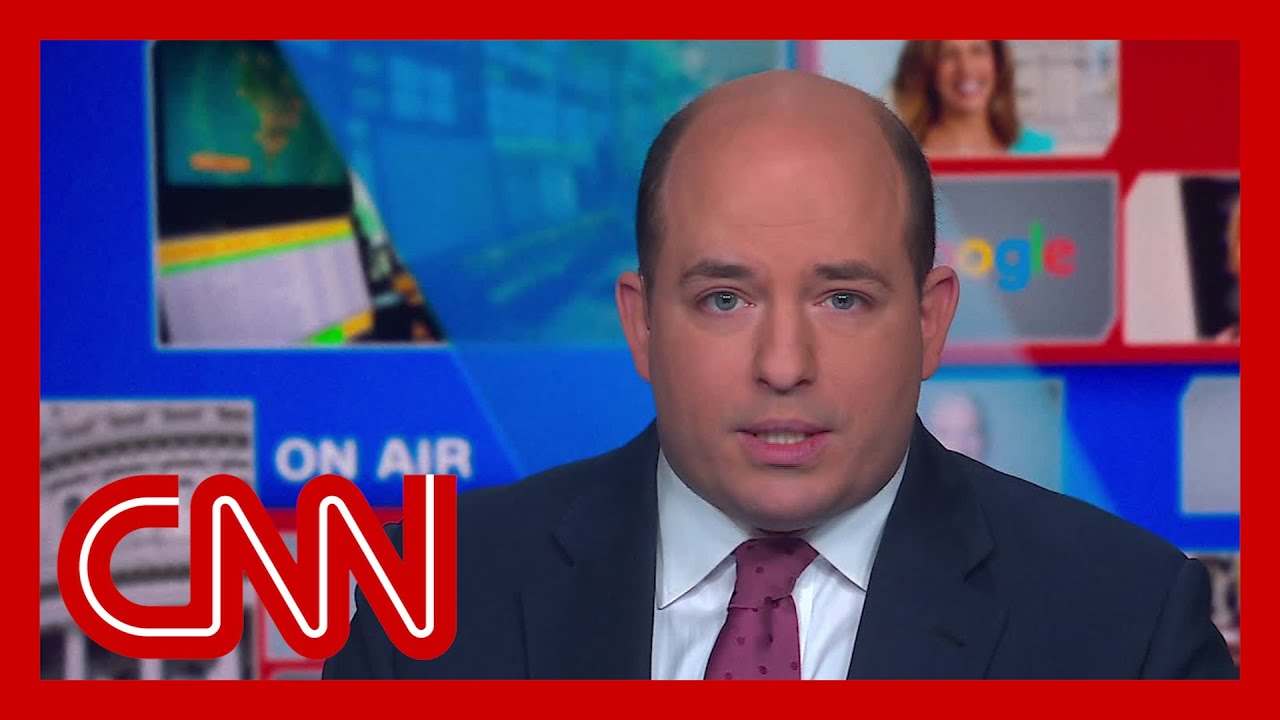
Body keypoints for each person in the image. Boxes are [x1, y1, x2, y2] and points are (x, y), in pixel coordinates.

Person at [323, 70, 1237, 680]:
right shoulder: (427, 600)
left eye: (843, 299)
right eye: (725, 299)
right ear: (641, 325)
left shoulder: (1128, 627)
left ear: (930, 322)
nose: (785, 366)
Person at [891, 40, 1054, 157]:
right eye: (948, 55)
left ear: (998, 64)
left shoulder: (1041, 151)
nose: (966, 68)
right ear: (928, 69)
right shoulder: (900, 157)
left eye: (977, 51)